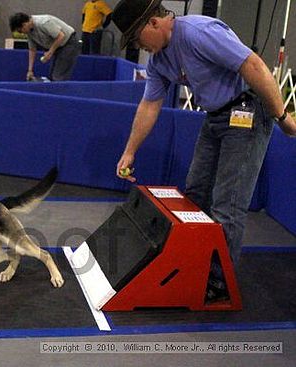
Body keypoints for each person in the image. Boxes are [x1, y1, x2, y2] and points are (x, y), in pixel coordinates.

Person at [112, 0, 296, 301]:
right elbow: (149, 105)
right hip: (215, 117)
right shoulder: (159, 62)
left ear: (153, 24)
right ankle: (191, 264)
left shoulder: (198, 32)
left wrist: (282, 117)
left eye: (136, 39)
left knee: (228, 203)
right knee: (195, 194)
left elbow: (253, 65)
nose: (139, 47)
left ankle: (218, 281)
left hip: (247, 112)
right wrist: (129, 151)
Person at [9, 12, 80, 81]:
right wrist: (30, 70)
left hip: (69, 42)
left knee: (58, 76)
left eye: (20, 31)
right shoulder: (29, 32)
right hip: (58, 46)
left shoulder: (44, 23)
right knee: (52, 76)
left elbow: (61, 36)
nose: (22, 33)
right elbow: (32, 50)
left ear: (24, 24)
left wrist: (50, 52)